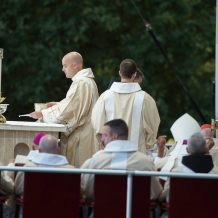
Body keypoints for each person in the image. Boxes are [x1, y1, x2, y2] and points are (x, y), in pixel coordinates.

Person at [29, 52, 99, 167]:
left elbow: (72, 110)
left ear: (75, 65)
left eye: (65, 66)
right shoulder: (85, 81)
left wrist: (43, 113)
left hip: (81, 136)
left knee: (78, 172)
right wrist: (57, 104)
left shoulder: (82, 83)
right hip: (85, 132)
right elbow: (75, 104)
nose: (63, 69)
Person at [81, 119, 162, 203]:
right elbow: (155, 194)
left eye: (104, 135)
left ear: (115, 136)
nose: (102, 138)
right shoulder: (145, 162)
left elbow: (85, 192)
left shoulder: (93, 163)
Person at [91, 59, 160, 155]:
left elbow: (97, 125)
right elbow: (152, 126)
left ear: (120, 73)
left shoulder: (105, 97)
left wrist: (103, 141)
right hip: (136, 154)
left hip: (110, 152)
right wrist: (147, 145)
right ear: (134, 74)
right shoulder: (146, 99)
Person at [159, 132, 218, 218]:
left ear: (187, 150)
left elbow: (167, 198)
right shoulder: (215, 173)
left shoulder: (176, 173)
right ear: (206, 149)